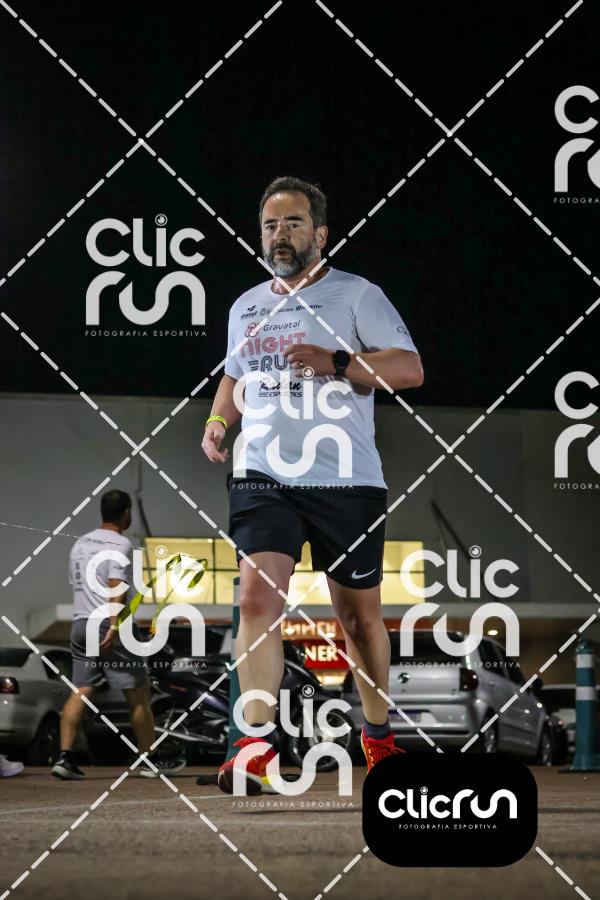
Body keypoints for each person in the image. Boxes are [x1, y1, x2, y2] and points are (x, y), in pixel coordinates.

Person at [202, 176, 423, 793]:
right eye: (271, 225)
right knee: (255, 600)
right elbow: (235, 375)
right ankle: (255, 746)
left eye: (294, 223)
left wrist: (340, 362)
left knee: (358, 619)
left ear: (320, 234)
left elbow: (410, 368)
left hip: (345, 479)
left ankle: (378, 735)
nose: (281, 234)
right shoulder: (246, 307)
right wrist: (219, 421)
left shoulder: (356, 295)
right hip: (263, 474)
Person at [51, 490, 185, 780]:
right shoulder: (120, 544)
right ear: (126, 513)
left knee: (81, 690)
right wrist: (114, 626)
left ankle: (65, 758)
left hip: (80, 622)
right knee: (138, 692)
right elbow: (116, 587)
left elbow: (78, 585)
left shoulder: (80, 543)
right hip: (109, 622)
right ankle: (150, 759)